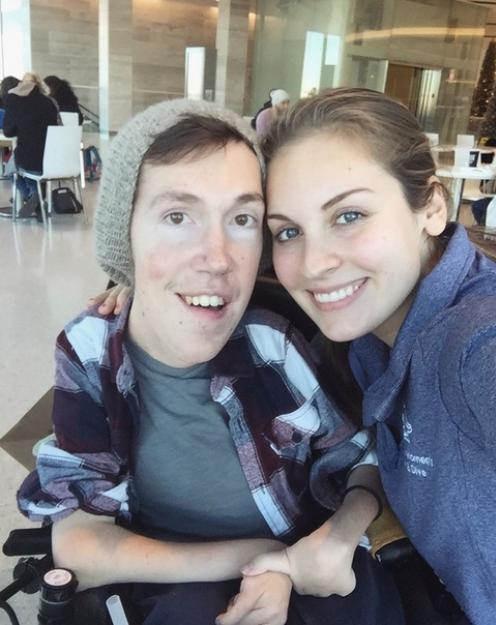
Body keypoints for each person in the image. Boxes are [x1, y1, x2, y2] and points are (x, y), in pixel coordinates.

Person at [17, 99, 404, 625]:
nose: (218, 258)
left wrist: (331, 541)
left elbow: (361, 457)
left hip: (311, 564)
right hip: (179, 573)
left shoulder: (273, 347)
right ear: (125, 234)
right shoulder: (91, 353)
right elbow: (80, 542)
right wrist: (266, 561)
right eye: (178, 217)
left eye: (242, 219)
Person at [229, 87, 496, 625]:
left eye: (349, 215)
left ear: (432, 207)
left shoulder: (474, 344)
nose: (314, 263)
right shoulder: (371, 331)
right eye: (288, 231)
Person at [2, 72, 59, 218]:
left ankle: (31, 196)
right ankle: (37, 199)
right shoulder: (50, 102)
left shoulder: (14, 100)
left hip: (30, 159)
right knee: (29, 163)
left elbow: (8, 132)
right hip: (54, 159)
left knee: (10, 169)